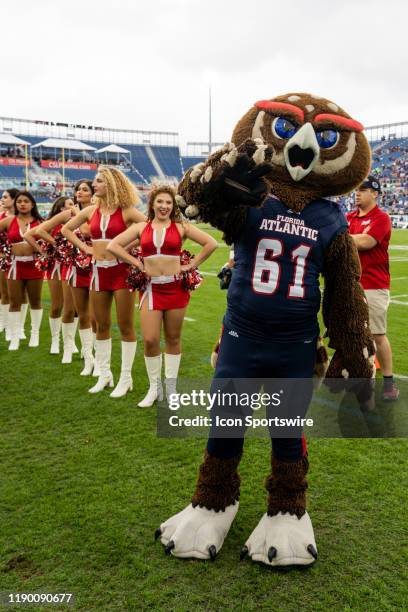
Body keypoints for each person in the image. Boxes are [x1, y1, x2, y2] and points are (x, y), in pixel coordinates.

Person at [107, 184, 218, 407]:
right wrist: (137, 262)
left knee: (173, 338)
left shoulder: (181, 227)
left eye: (169, 202)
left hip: (175, 289)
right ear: (152, 204)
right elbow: (113, 245)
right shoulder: (141, 227)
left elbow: (211, 243)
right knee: (149, 340)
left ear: (173, 206)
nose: (164, 206)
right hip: (151, 289)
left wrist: (192, 265)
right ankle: (154, 388)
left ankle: (171, 389)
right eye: (160, 202)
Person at [62, 166, 146, 397]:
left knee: (126, 326)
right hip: (98, 272)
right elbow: (66, 229)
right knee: (101, 325)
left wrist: (126, 249)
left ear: (111, 184)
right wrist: (86, 248)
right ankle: (104, 373)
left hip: (122, 273)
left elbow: (150, 230)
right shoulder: (90, 211)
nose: (94, 185)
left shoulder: (127, 211)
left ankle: (125, 377)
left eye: (98, 181)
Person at [347, 175, 399, 401]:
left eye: (363, 189)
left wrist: (339, 237)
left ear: (375, 194)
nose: (357, 193)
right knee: (353, 334)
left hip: (374, 285)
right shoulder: (349, 216)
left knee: (378, 335)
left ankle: (389, 384)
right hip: (350, 285)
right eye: (357, 189)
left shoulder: (382, 218)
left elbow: (367, 242)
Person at [25, 196, 84, 364]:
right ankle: (54, 341)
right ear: (60, 208)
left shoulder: (76, 221)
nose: (73, 207)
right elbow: (30, 234)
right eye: (70, 204)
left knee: (72, 307)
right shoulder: (56, 221)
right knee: (57, 305)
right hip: (56, 266)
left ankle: (70, 342)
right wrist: (50, 248)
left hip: (72, 265)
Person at [0, 191, 43, 350]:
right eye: (19, 201)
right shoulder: (9, 221)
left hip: (34, 265)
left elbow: (52, 239)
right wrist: (2, 252)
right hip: (14, 265)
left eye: (26, 201)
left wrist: (43, 251)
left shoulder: (40, 222)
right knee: (14, 302)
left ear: (32, 204)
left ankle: (35, 334)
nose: (22, 204)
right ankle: (15, 337)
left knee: (35, 301)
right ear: (16, 204)